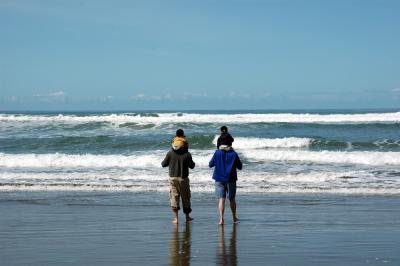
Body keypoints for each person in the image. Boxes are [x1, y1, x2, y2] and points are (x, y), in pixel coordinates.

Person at [162, 129, 195, 224]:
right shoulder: (187, 154)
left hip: (172, 178)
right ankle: (187, 217)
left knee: (174, 197)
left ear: (175, 137)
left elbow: (163, 164)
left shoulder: (170, 153)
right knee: (186, 197)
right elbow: (192, 166)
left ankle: (176, 219)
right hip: (183, 178)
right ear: (183, 137)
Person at [209, 146, 242, 225]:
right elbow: (240, 167)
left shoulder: (217, 153)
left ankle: (221, 219)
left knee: (221, 199)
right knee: (232, 198)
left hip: (219, 178)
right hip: (231, 178)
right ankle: (234, 217)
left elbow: (210, 164)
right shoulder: (234, 154)